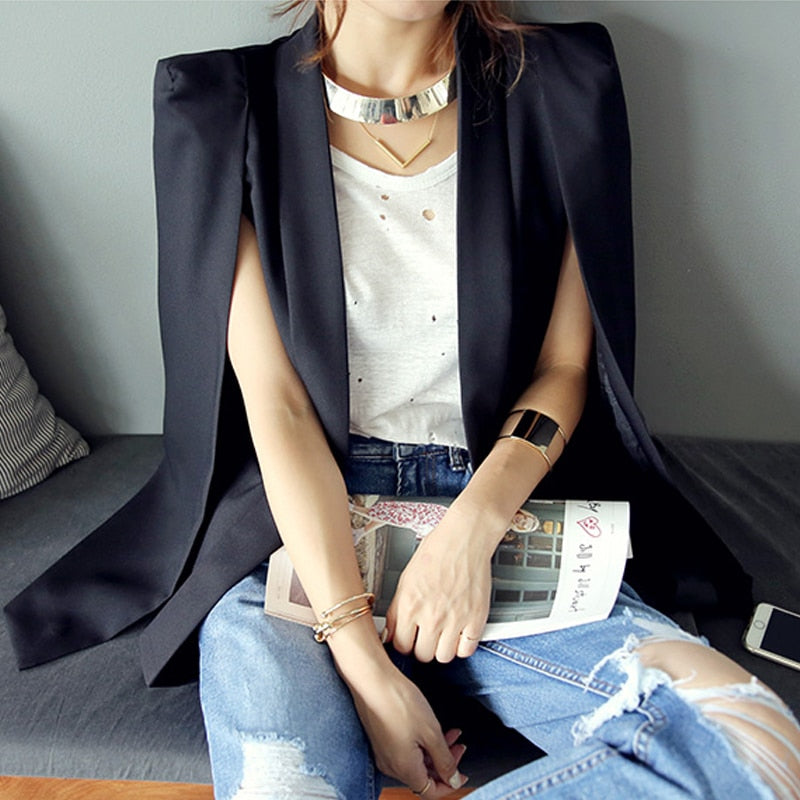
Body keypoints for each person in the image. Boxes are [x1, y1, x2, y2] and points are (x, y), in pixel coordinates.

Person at [5, 2, 800, 799]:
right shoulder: (221, 107)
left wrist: (470, 534)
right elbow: (278, 406)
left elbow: (564, 367)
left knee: (755, 748)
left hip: (502, 509)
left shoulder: (555, 85)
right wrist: (361, 657)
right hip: (299, 532)